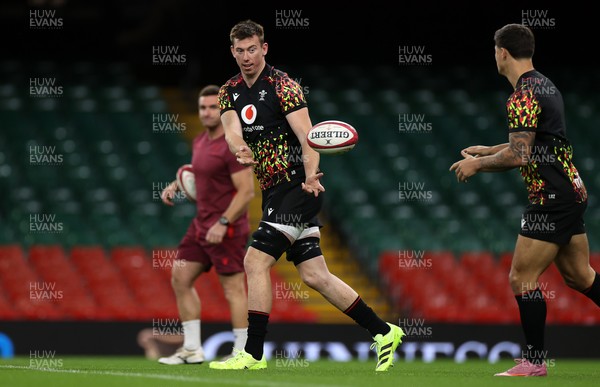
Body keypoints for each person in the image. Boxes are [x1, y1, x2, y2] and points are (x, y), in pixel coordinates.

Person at [208, 19, 404, 372]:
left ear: (264, 48)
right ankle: (383, 331)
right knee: (315, 276)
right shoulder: (229, 91)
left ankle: (252, 352)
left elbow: (308, 136)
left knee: (254, 262)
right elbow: (232, 132)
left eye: (253, 49)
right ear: (232, 51)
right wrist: (240, 150)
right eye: (240, 51)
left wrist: (312, 174)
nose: (247, 57)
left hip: (298, 187)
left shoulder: (284, 86)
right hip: (272, 191)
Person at [450, 23, 600, 377]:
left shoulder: (521, 95)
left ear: (502, 52)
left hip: (551, 197)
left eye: (494, 50)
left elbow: (520, 156)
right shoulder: (544, 84)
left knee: (521, 278)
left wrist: (478, 165)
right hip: (570, 189)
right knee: (581, 277)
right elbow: (538, 144)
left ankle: (534, 362)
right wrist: (490, 149)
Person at [158, 85, 256, 365]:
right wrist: (176, 184)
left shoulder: (233, 144)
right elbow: (199, 172)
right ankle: (191, 349)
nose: (207, 112)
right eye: (203, 107)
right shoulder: (200, 140)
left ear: (224, 111)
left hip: (228, 227)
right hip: (201, 224)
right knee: (180, 278)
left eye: (214, 107)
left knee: (233, 290)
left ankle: (242, 352)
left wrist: (224, 222)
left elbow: (247, 192)